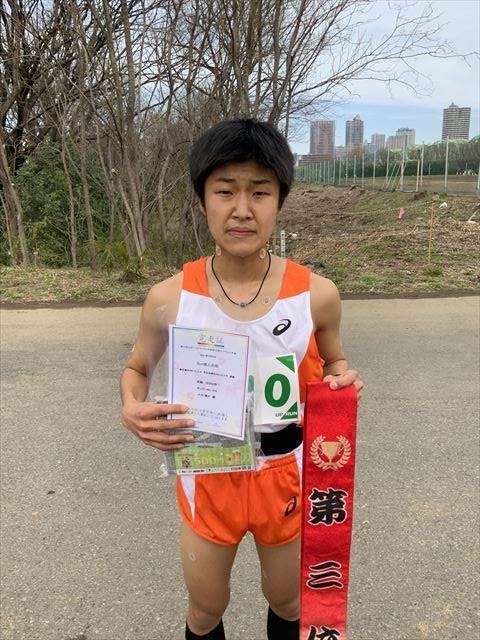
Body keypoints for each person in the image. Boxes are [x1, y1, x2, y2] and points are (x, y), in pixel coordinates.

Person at [120, 119, 363, 640]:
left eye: (260, 192)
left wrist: (341, 383)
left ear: (279, 201)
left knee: (290, 601)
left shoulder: (317, 295)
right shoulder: (169, 298)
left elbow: (336, 362)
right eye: (225, 191)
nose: (242, 209)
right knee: (206, 607)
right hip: (207, 470)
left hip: (287, 471)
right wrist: (131, 407)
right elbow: (137, 367)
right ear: (202, 200)